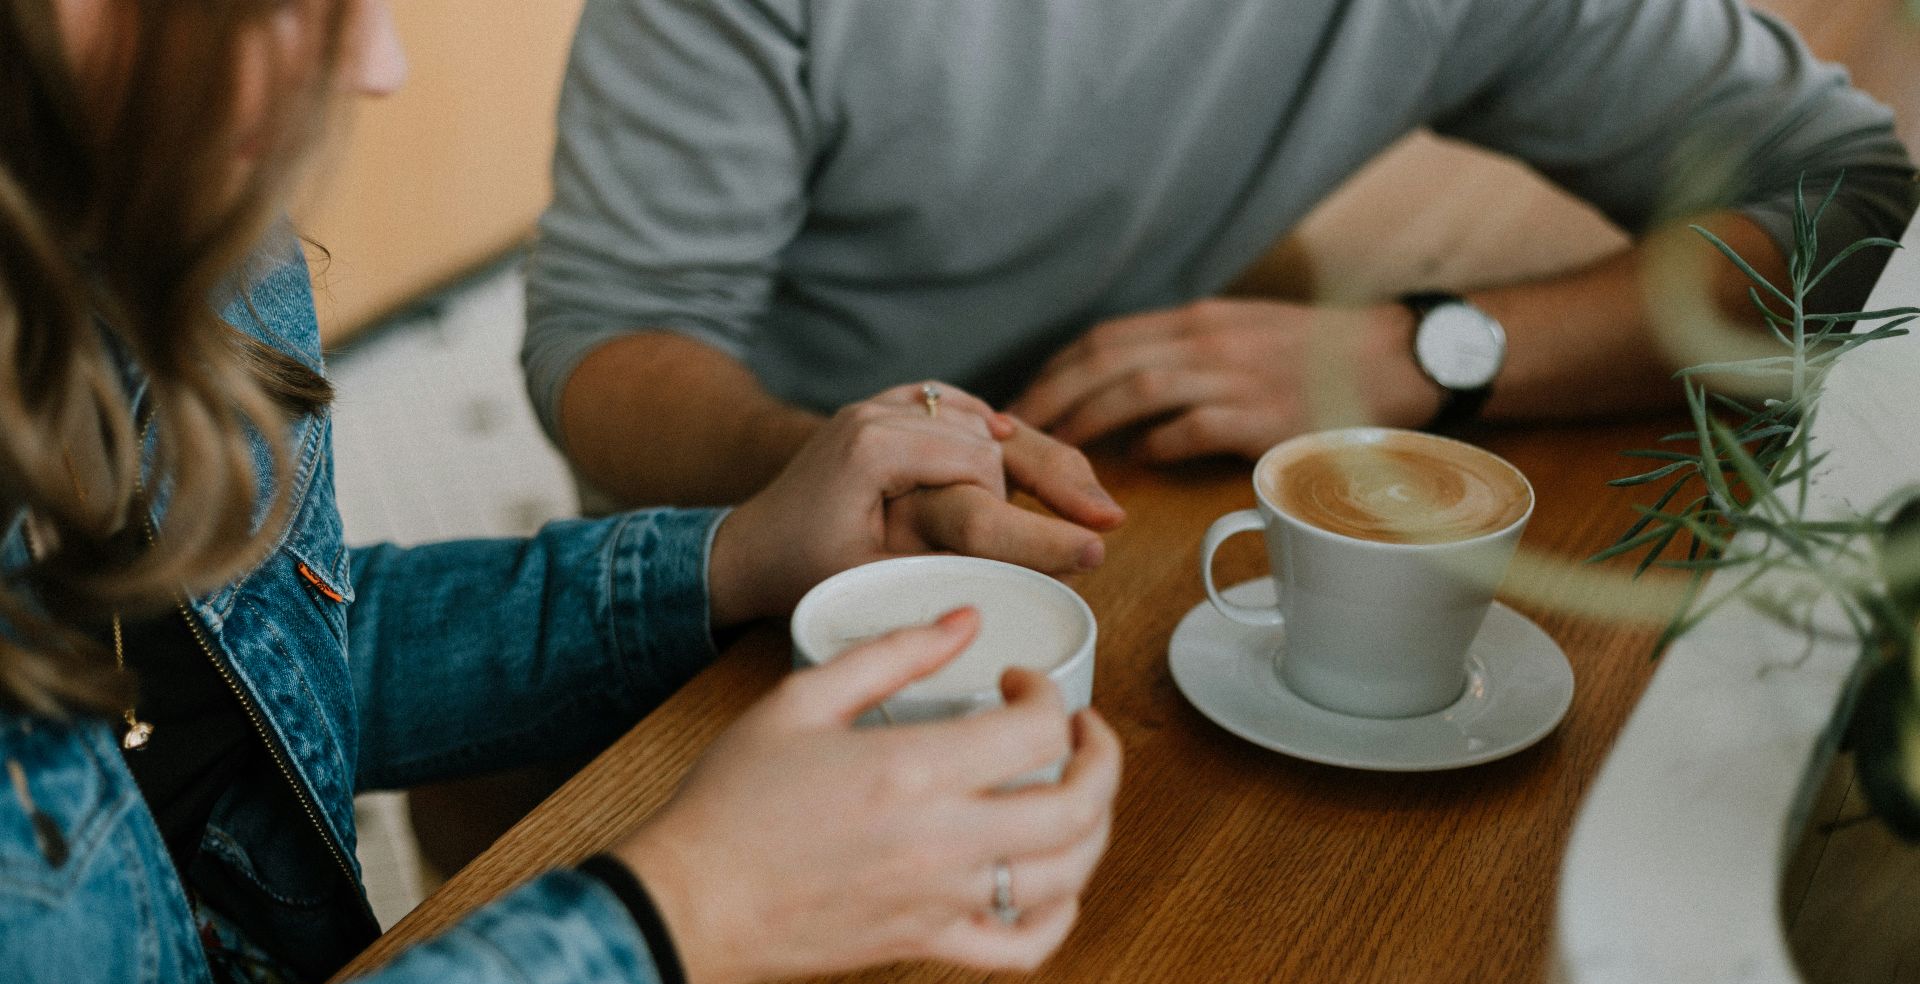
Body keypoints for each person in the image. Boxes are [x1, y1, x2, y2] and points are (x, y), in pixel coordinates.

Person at [0, 1, 1123, 984]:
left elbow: (266, 662)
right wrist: (684, 915)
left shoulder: (156, 239)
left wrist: (733, 555)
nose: (377, 65)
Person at [523, 0, 1918, 512]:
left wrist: (1422, 350)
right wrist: (850, 464)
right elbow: (608, 344)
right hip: (744, 510)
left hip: (1142, 475)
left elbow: (1857, 209)